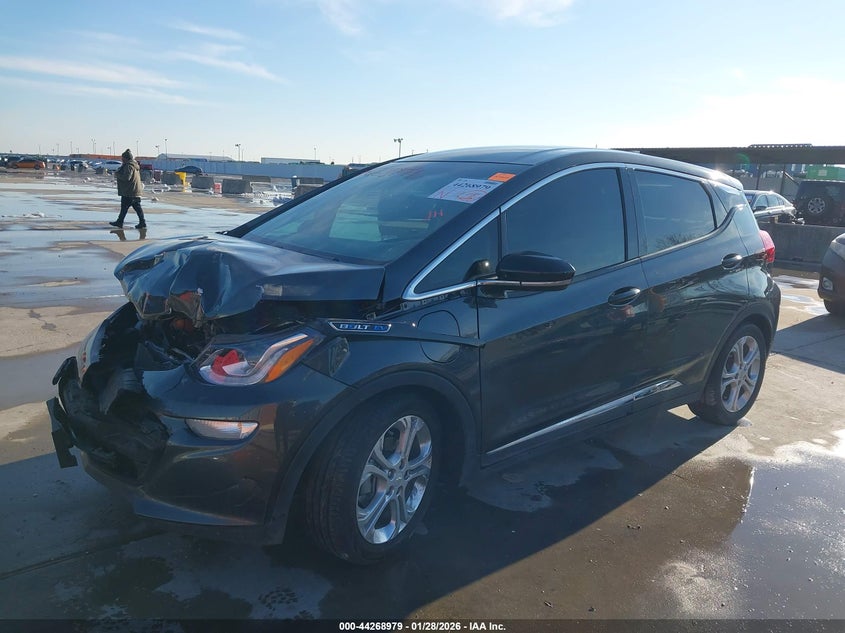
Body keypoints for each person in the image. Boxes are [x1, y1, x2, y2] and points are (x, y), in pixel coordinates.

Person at [110, 149, 146, 229]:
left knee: (125, 208)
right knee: (136, 208)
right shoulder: (134, 165)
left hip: (129, 191)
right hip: (134, 191)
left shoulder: (129, 166)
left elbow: (127, 178)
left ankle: (120, 222)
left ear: (126, 158)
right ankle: (142, 222)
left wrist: (117, 174)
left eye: (122, 158)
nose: (121, 159)